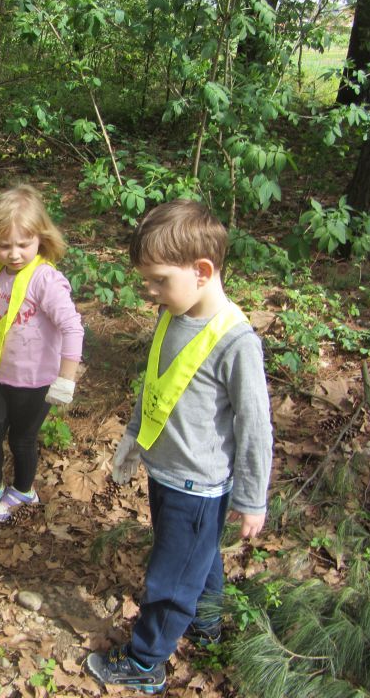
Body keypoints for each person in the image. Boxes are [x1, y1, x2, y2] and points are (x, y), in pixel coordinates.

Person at [85, 199, 273, 694]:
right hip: (166, 472)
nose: (150, 292)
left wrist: (253, 498)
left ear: (203, 271)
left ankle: (146, 662)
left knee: (170, 577)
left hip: (199, 485)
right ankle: (207, 623)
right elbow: (157, 386)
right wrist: (132, 436)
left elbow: (256, 427)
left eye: (158, 280)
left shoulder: (236, 343)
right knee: (200, 557)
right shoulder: (176, 312)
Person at [0, 184, 84, 523]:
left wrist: (66, 379)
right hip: (1, 374)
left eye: (23, 244)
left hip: (36, 381)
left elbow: (72, 328)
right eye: (4, 245)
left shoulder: (45, 280)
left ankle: (23, 488)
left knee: (22, 439)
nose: (14, 253)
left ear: (41, 239)